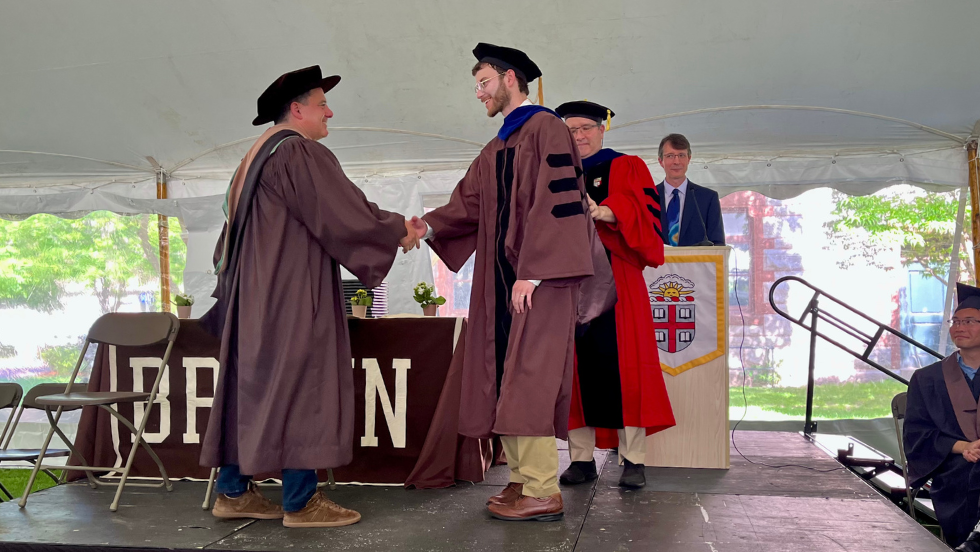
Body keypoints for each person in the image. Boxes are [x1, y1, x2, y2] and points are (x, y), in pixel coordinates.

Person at [198, 65, 419, 528]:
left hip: (253, 294)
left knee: (253, 385)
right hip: (291, 292)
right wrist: (398, 229)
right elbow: (343, 213)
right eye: (321, 104)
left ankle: (233, 491)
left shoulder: (252, 159)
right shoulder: (298, 153)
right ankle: (300, 501)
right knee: (304, 382)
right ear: (297, 110)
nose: (329, 111)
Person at [410, 43, 605, 522]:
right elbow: (468, 204)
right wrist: (425, 228)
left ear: (510, 78)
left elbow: (559, 201)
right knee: (504, 376)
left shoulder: (547, 128)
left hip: (541, 280)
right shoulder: (498, 145)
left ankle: (544, 488)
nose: (478, 94)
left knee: (530, 379)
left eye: (483, 83)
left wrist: (534, 271)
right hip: (502, 284)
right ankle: (521, 478)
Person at [553, 101, 675, 489]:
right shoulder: (554, 172)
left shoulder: (627, 165)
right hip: (571, 284)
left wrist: (607, 211)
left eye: (586, 128)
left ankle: (633, 460)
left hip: (619, 279)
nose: (580, 136)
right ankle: (581, 460)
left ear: (602, 130)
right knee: (576, 371)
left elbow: (648, 214)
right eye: (571, 131)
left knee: (629, 367)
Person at [907, 282, 980, 550]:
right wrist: (964, 447)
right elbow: (916, 436)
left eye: (969, 321)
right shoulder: (927, 380)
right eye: (956, 321)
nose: (959, 327)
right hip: (953, 470)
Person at [655, 134, 725, 247]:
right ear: (660, 161)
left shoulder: (707, 198)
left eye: (681, 155)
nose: (676, 162)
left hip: (696, 264)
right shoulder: (645, 197)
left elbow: (718, 244)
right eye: (670, 156)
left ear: (689, 159)